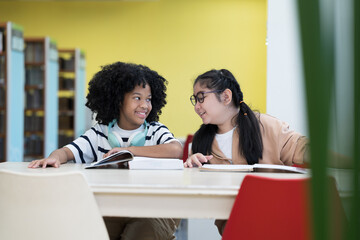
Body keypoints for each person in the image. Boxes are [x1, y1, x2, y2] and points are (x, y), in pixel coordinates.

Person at [28, 61, 183, 240]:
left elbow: (175, 150)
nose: (145, 105)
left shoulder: (156, 130)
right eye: (137, 98)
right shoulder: (99, 132)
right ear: (118, 100)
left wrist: (131, 150)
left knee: (140, 232)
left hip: (155, 209)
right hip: (115, 208)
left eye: (148, 99)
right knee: (88, 230)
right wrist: (54, 158)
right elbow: (66, 151)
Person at [184, 69, 308, 234]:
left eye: (201, 98)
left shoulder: (267, 126)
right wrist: (193, 170)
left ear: (226, 97)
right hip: (237, 228)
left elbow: (305, 149)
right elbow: (197, 197)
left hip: (278, 222)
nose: (197, 107)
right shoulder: (200, 141)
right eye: (195, 100)